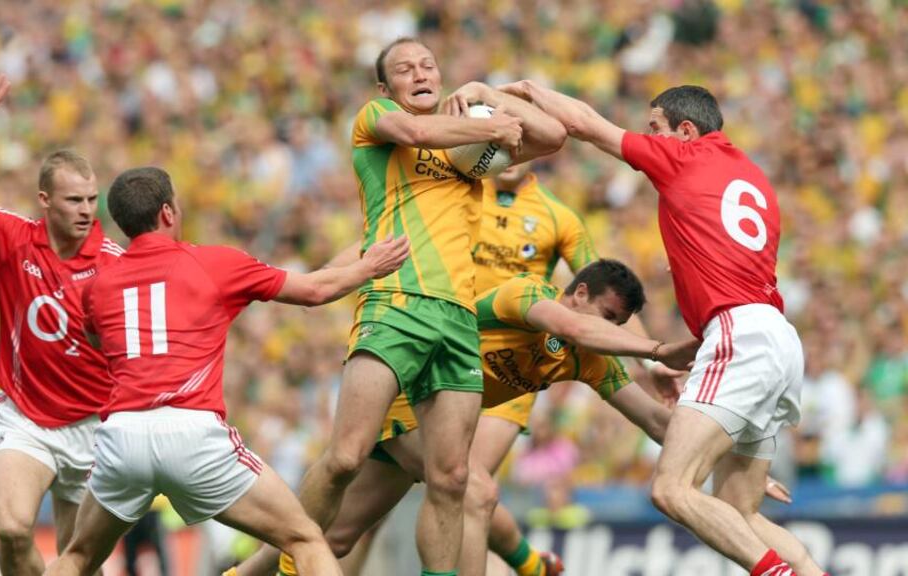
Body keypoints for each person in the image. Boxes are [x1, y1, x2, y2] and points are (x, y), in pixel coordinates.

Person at [500, 80, 828, 576]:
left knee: (670, 489)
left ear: (686, 130)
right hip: (777, 337)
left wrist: (528, 91)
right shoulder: (753, 177)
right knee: (739, 511)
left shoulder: (684, 158)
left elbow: (585, 124)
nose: (647, 136)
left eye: (654, 127)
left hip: (739, 334)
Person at [276, 37, 567, 576]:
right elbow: (414, 131)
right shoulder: (378, 118)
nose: (419, 73)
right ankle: (291, 570)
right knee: (345, 456)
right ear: (387, 88)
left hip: (458, 319)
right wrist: (491, 126)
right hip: (395, 303)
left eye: (428, 64)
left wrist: (486, 94)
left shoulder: (467, 150)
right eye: (405, 69)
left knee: (453, 478)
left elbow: (553, 136)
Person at [232, 261, 715, 576]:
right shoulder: (526, 296)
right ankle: (524, 568)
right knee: (469, 485)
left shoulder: (585, 357)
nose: (605, 330)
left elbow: (653, 419)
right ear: (579, 292)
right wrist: (654, 350)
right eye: (605, 316)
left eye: (615, 325)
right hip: (400, 395)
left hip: (428, 423)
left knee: (334, 537)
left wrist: (726, 443)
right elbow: (566, 323)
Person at [42, 166, 410, 576]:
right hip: (191, 431)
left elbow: (97, 341)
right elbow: (315, 290)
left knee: (76, 556)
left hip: (122, 435)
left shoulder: (97, 286)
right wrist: (369, 266)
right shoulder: (214, 262)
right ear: (168, 212)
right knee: (304, 537)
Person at [0, 72, 121, 576]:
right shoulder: (12, 237)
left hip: (95, 429)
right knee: (13, 529)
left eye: (91, 199)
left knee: (81, 566)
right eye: (74, 200)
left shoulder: (117, 263)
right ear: (44, 201)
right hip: (26, 418)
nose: (86, 211)